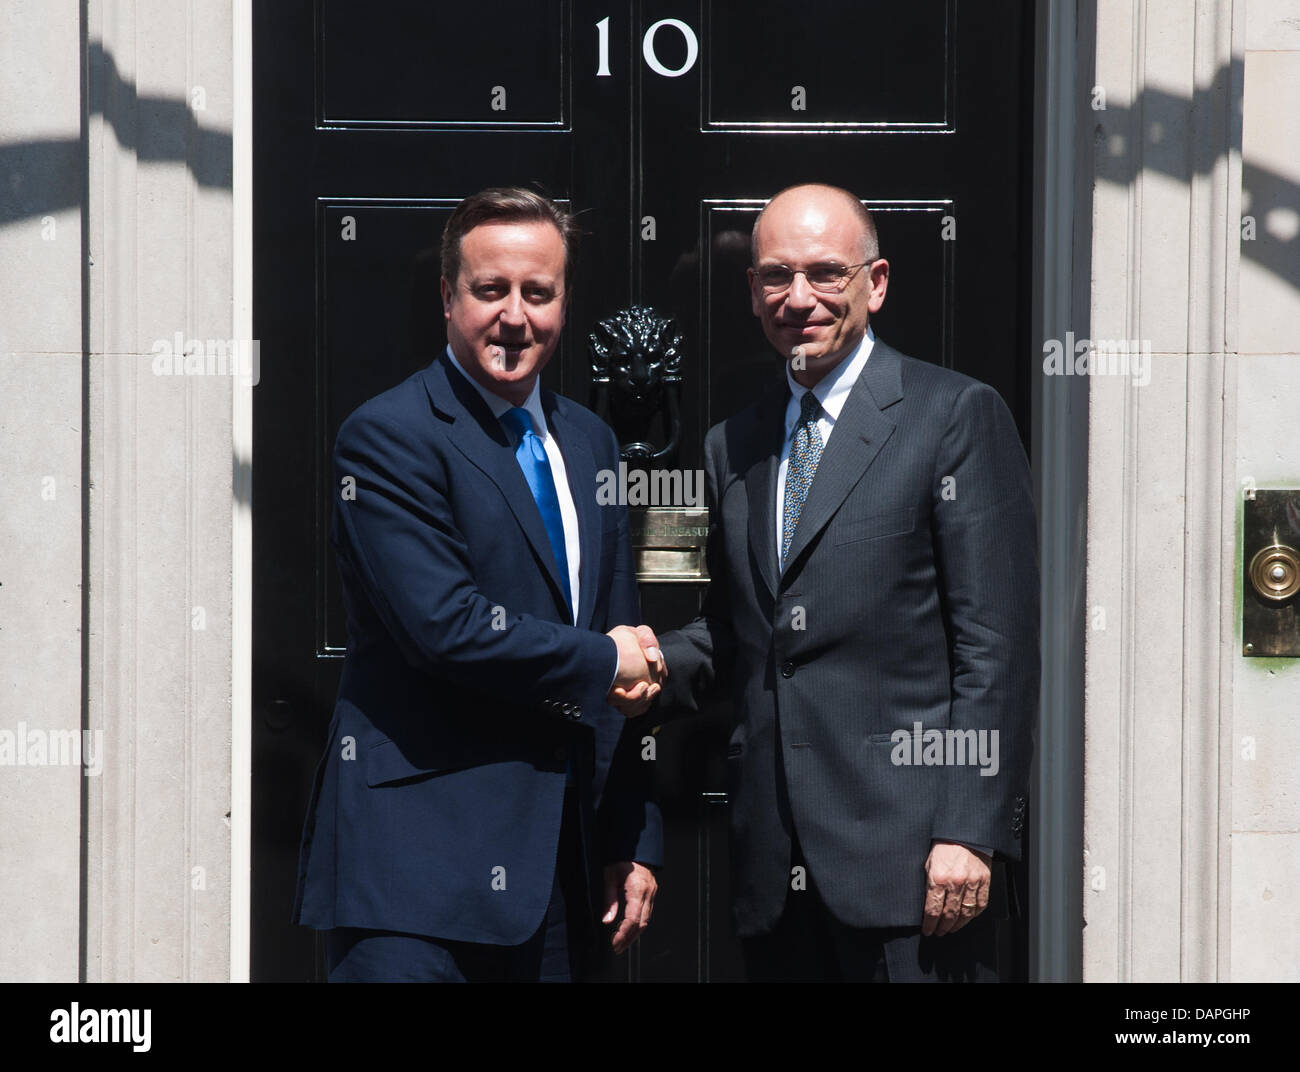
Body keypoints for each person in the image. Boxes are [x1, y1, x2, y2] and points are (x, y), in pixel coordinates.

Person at [650, 183, 1039, 982]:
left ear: (877, 282)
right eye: (775, 276)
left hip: (915, 873)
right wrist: (628, 662)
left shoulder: (954, 416)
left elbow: (995, 644)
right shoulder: (736, 442)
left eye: (826, 273)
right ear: (753, 291)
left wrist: (969, 831)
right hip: (775, 871)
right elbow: (734, 631)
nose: (799, 298)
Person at [292, 187, 666, 982]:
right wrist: (607, 664)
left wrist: (630, 838)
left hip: (562, 881)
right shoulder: (389, 436)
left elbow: (617, 631)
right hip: (416, 885)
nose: (515, 316)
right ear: (447, 296)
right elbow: (446, 626)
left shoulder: (591, 441)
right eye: (490, 290)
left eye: (539, 292)